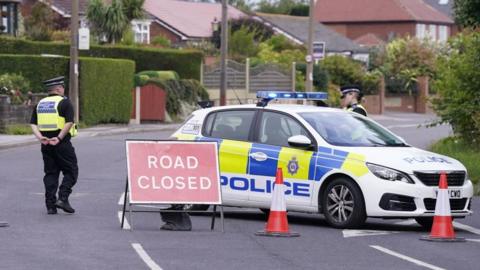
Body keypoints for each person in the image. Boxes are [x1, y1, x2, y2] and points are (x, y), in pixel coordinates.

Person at [30, 76, 78, 215]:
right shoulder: (64, 102)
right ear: (58, 88)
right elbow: (69, 122)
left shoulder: (40, 104)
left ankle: (50, 205)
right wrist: (58, 137)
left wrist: (40, 138)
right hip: (61, 144)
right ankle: (62, 198)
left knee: (51, 173)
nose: (63, 89)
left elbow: (33, 123)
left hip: (46, 144)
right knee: (71, 171)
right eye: (62, 87)